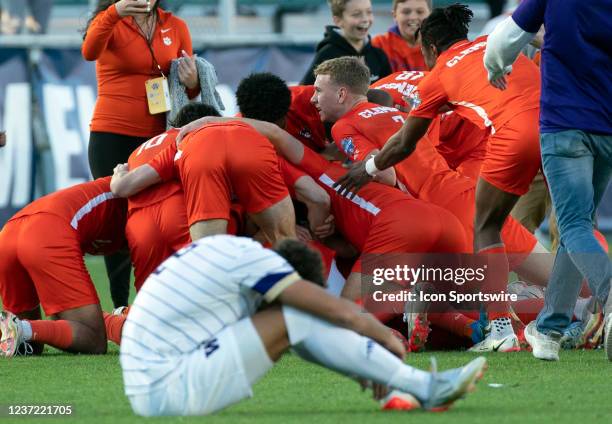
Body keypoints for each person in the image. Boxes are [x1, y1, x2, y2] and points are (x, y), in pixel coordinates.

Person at [333, 5, 542, 350]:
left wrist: (365, 169)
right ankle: (576, 309)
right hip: (557, 128)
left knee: (469, 257)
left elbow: (398, 151)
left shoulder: (431, 80)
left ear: (429, 48)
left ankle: (505, 328)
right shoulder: (494, 41)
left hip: (469, 176)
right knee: (571, 227)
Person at [120, 235, 487, 416]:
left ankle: (409, 385)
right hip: (169, 388)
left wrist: (368, 365)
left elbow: (314, 333)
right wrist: (384, 340)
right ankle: (425, 386)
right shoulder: (253, 262)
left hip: (152, 387)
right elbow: (337, 313)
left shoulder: (228, 252)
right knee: (298, 316)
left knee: (296, 319)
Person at [484, 0, 612, 362]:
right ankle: (551, 327)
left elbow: (502, 40)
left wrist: (496, 66)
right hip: (607, 130)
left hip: (563, 126)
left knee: (573, 224)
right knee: (580, 224)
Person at [82, 0, 199, 308]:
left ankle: (158, 300)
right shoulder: (109, 20)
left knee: (157, 215)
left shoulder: (175, 25)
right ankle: (120, 304)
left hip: (157, 136)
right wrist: (115, 12)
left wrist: (193, 82)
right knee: (117, 216)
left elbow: (190, 88)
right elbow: (89, 52)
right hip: (111, 133)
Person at [111, 121, 296, 244]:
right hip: (250, 143)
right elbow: (313, 192)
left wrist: (118, 173)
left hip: (201, 153)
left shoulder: (179, 142)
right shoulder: (255, 134)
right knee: (287, 241)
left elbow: (123, 187)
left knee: (209, 254)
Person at [0, 178, 127, 357]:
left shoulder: (126, 188)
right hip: (46, 230)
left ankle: (17, 328)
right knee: (93, 340)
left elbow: (62, 317)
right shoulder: (145, 204)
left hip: (9, 232)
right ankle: (20, 327)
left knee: (31, 346)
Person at [300, 0, 391, 85]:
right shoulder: (327, 55)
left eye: (369, 12)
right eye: (356, 14)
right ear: (338, 20)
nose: (365, 19)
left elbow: (389, 92)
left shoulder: (378, 55)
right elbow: (306, 92)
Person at [371, 0, 431, 72]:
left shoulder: (440, 45)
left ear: (430, 14)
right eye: (406, 12)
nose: (413, 17)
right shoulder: (379, 44)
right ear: (394, 15)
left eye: (420, 12)